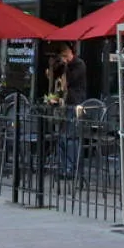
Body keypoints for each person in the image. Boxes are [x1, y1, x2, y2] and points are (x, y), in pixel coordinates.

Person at [49, 43, 87, 178]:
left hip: (75, 102)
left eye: (66, 55)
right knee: (61, 137)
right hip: (64, 104)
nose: (65, 58)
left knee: (71, 137)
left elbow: (69, 81)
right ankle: (62, 166)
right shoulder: (64, 66)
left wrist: (65, 66)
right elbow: (55, 77)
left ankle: (71, 168)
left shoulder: (79, 65)